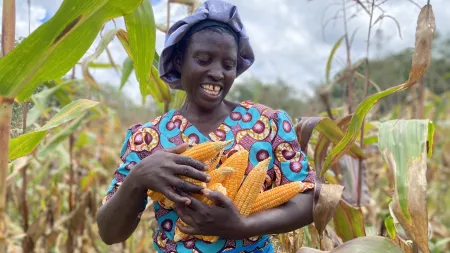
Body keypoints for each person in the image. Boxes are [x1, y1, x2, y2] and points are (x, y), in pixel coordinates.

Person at [96, 0, 316, 252]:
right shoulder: (148, 138)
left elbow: (308, 199)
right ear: (180, 61)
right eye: (203, 59)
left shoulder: (268, 124)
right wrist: (139, 177)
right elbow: (109, 233)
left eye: (228, 65)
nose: (217, 73)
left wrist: (242, 225)